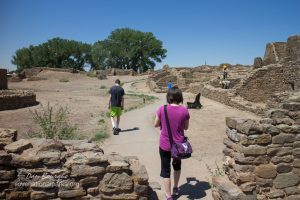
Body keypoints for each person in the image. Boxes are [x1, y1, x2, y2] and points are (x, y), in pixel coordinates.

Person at [154, 87, 190, 200]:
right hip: (178, 146)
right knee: (177, 166)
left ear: (168, 97)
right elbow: (186, 127)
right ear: (180, 97)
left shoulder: (162, 109)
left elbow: (155, 124)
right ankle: (175, 187)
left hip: (165, 145)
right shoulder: (184, 110)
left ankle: (168, 196)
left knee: (166, 170)